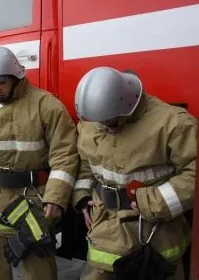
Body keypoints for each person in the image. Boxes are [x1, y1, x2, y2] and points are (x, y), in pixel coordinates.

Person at [72, 67, 197, 280]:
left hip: (155, 233)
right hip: (105, 227)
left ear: (125, 106)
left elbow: (193, 173)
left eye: (107, 120)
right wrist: (82, 197)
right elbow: (86, 164)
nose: (100, 125)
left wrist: (153, 202)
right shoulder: (93, 121)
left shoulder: (173, 123)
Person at [0, 46, 79, 279]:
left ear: (16, 76)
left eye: (2, 82)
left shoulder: (46, 106)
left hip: (35, 199)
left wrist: (56, 197)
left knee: (39, 270)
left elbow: (65, 155)